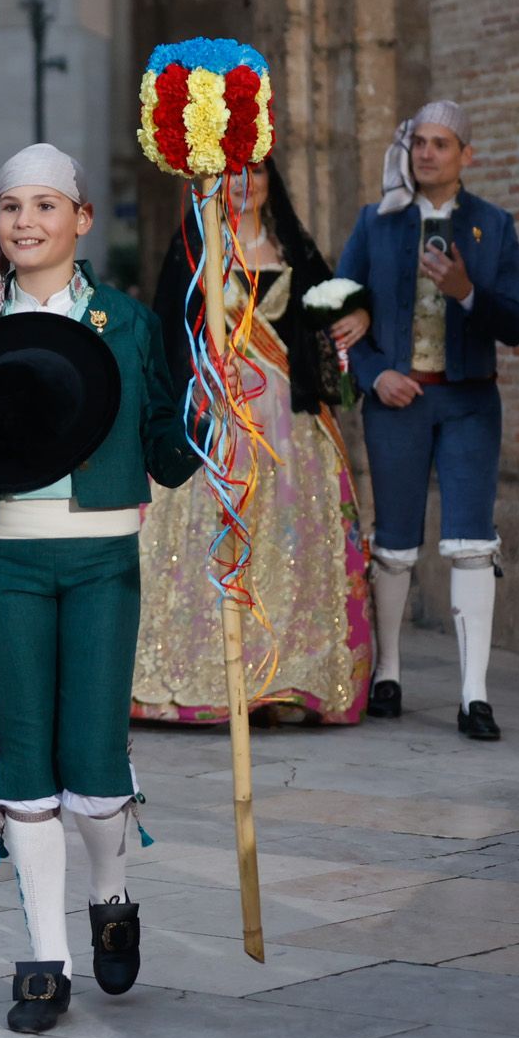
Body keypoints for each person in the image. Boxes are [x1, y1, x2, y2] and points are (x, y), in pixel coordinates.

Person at [0, 145, 201, 1035]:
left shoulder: (130, 323)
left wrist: (204, 401)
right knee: (24, 760)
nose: (26, 222)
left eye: (46, 206)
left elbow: (169, 458)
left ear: (81, 219)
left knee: (96, 764)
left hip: (105, 559)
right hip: (12, 562)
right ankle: (42, 961)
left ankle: (111, 891)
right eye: (13, 208)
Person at [135, 158, 374, 724]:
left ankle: (286, 680)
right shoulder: (196, 246)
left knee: (289, 540)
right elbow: (169, 323)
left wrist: (361, 311)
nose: (246, 184)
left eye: (257, 173)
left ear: (272, 182)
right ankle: (208, 679)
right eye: (234, 174)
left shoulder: (289, 246)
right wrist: (188, 389)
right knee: (216, 536)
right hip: (217, 416)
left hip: (287, 423)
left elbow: (332, 297)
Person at [338, 100, 519, 741]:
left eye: (441, 144)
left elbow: (516, 326)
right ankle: (387, 674)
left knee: (472, 544)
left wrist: (466, 292)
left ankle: (474, 695)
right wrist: (372, 373)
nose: (426, 153)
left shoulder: (494, 227)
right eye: (418, 142)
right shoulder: (377, 222)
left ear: (465, 155)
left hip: (470, 403)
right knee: (393, 544)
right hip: (398, 403)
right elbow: (338, 314)